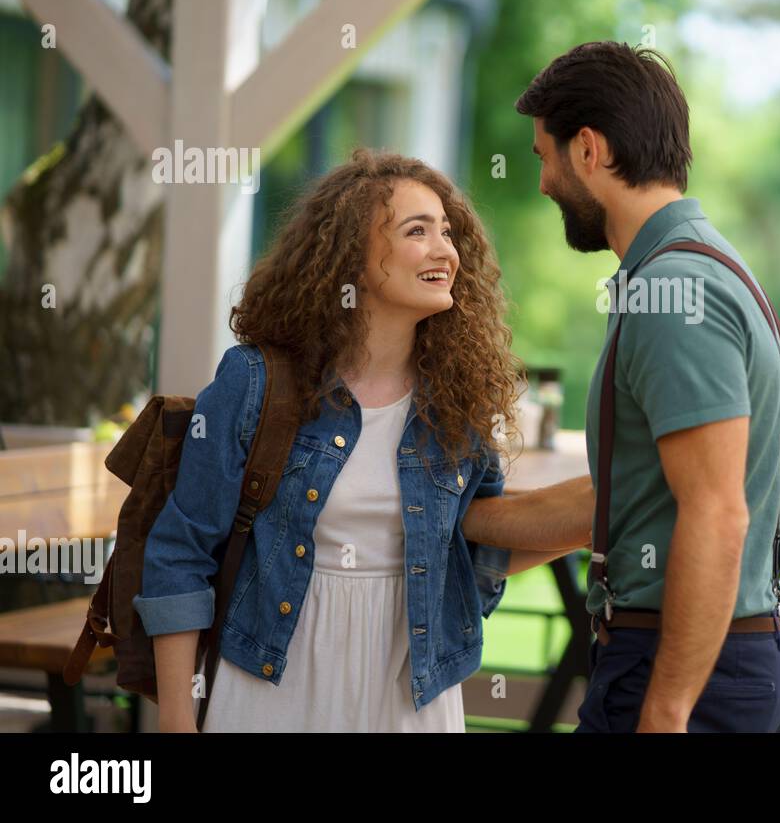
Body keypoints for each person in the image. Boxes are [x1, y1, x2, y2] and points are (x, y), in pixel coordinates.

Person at [134, 148, 593, 732]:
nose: (445, 251)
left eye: (447, 233)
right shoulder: (255, 383)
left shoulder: (456, 403)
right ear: (351, 255)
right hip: (271, 682)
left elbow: (476, 547)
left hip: (410, 695)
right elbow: (180, 554)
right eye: (416, 231)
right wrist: (177, 721)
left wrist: (592, 520)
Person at [513, 41, 780, 732]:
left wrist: (666, 710)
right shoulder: (687, 269)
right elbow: (629, 497)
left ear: (589, 150)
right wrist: (464, 523)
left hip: (681, 673)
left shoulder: (674, 290)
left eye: (544, 158)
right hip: (705, 661)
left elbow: (717, 512)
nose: (545, 183)